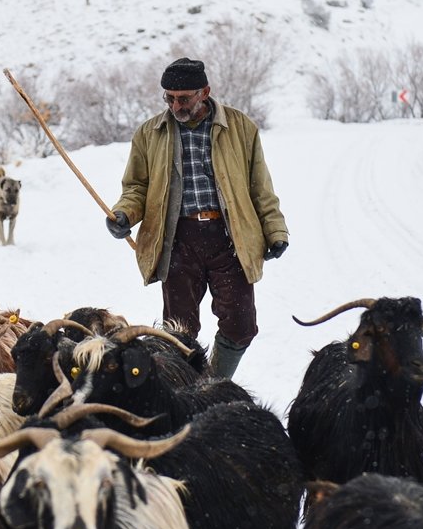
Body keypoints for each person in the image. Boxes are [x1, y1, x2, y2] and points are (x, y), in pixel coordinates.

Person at [105, 57, 288, 379]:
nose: (176, 105)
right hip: (177, 241)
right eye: (169, 98)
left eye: (184, 98)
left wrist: (275, 230)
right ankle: (185, 390)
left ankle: (215, 383)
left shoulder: (240, 127)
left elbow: (260, 186)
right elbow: (136, 187)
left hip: (230, 239)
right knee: (178, 332)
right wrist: (124, 214)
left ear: (205, 91)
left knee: (241, 324)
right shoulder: (150, 133)